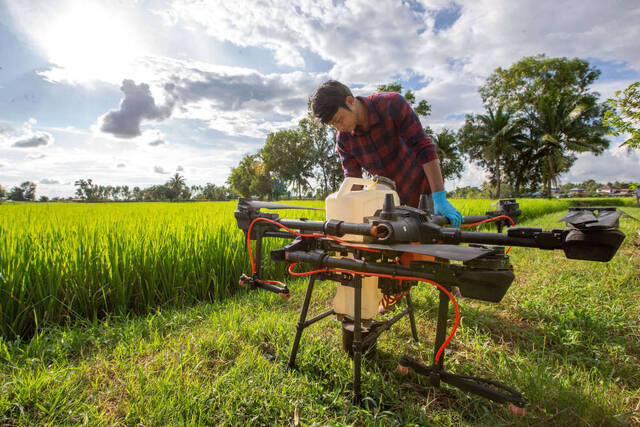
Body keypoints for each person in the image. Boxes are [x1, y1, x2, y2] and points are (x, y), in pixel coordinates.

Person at [310, 80, 463, 227]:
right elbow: (353, 180)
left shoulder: (391, 104)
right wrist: (343, 209)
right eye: (333, 125)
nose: (339, 127)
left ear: (350, 101)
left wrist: (439, 197)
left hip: (421, 193)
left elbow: (424, 148)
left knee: (430, 248)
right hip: (386, 203)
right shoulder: (344, 140)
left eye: (339, 119)